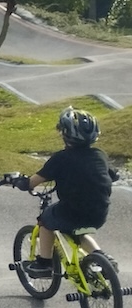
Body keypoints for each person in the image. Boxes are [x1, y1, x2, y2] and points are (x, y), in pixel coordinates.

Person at [15, 107, 114, 276]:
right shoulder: (100, 155)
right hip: (99, 212)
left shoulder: (61, 158)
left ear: (65, 134)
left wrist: (20, 181)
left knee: (46, 220)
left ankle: (45, 264)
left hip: (72, 212)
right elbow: (112, 175)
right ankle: (104, 258)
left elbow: (32, 182)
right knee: (77, 231)